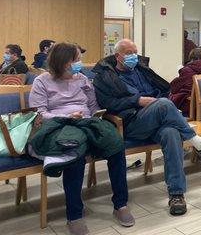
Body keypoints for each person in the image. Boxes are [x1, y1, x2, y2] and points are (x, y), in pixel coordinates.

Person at [92, 39, 201, 216]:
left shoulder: (141, 70)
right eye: (129, 53)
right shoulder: (105, 76)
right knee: (164, 105)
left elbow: (162, 90)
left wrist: (166, 104)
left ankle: (176, 194)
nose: (134, 56)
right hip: (132, 122)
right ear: (117, 56)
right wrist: (137, 100)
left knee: (172, 133)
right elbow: (106, 103)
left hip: (156, 117)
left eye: (135, 51)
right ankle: (198, 143)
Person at [28, 43, 134, 235]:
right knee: (74, 155)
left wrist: (96, 116)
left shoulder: (83, 79)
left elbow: (93, 107)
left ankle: (121, 204)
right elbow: (39, 113)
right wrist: (67, 117)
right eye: (75, 60)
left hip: (86, 123)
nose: (79, 64)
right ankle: (74, 215)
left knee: (116, 147)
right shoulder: (42, 81)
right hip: (60, 126)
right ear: (61, 61)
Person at [169, 48, 201, 116]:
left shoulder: (188, 69)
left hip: (194, 103)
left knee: (170, 96)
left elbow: (174, 87)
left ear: (192, 58)